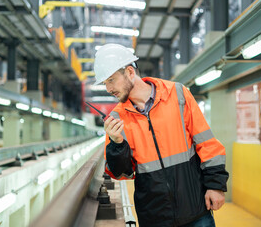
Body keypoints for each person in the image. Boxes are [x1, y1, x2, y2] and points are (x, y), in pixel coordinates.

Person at [93, 43, 229, 227]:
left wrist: (215, 185)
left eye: (111, 80)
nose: (108, 89)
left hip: (195, 210)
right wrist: (117, 144)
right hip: (155, 217)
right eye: (105, 83)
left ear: (130, 72)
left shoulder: (177, 94)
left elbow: (207, 144)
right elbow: (121, 173)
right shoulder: (117, 119)